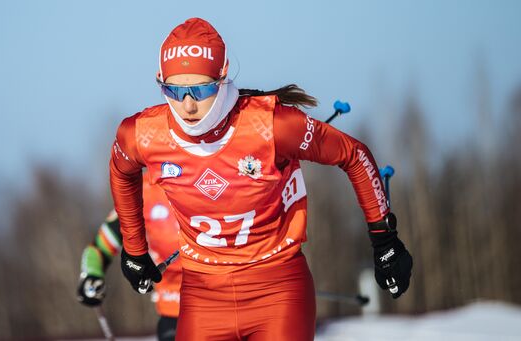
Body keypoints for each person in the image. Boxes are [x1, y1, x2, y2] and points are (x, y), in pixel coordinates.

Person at [110, 17, 413, 341]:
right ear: (160, 81)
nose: (187, 104)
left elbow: (353, 154)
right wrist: (134, 250)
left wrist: (384, 239)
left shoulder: (270, 125)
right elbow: (121, 171)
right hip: (203, 295)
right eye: (174, 89)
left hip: (277, 290)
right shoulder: (142, 134)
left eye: (200, 89)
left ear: (222, 76)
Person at [77, 172, 182, 341]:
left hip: (227, 302)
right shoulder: (142, 190)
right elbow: (99, 248)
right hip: (175, 309)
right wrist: (92, 274)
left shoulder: (211, 175)